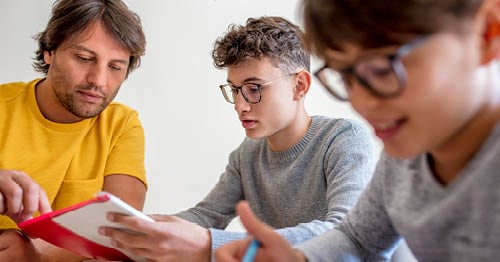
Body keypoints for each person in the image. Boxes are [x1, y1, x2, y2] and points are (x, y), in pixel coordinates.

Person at [214, 0, 500, 261]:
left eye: (382, 69)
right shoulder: (405, 155)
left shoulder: (347, 138)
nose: (360, 102)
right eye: (345, 77)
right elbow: (358, 238)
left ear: (486, 33)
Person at [99, 16, 375, 261]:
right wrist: (142, 233)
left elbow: (342, 231)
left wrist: (209, 244)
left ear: (299, 85)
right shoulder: (248, 153)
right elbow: (207, 215)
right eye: (234, 89)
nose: (240, 105)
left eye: (254, 89)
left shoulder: (343, 139)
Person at [0, 0, 147, 260]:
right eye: (84, 58)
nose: (98, 81)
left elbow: (122, 234)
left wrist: (36, 254)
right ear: (49, 51)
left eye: (115, 67)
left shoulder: (122, 125)